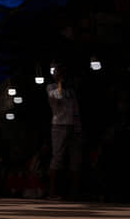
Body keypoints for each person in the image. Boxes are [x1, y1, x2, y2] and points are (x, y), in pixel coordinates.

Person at [46, 64, 82, 199]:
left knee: (75, 158)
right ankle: (52, 192)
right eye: (57, 73)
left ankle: (75, 192)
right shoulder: (51, 88)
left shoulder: (71, 90)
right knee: (58, 157)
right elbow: (58, 97)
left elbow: (75, 109)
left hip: (74, 126)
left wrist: (78, 128)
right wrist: (59, 82)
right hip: (59, 125)